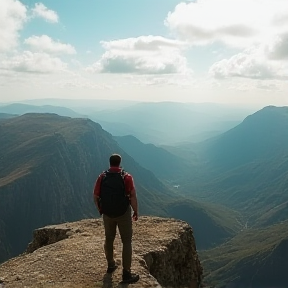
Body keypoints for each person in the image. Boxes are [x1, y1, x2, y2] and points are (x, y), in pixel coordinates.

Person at [93, 154, 139, 284]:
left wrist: (100, 210)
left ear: (110, 163)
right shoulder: (126, 177)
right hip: (123, 213)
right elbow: (133, 196)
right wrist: (135, 211)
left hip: (107, 214)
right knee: (126, 241)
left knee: (109, 239)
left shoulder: (102, 177)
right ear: (119, 163)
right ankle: (126, 273)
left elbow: (95, 196)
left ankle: (111, 265)